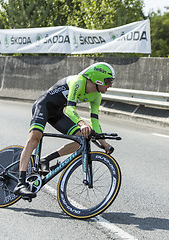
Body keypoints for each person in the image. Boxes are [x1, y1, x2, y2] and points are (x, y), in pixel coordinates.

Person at [13, 62, 115, 197]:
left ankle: (46, 159)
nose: (110, 85)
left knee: (81, 140)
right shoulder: (78, 81)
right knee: (34, 138)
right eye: (108, 81)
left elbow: (95, 121)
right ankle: (20, 183)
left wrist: (104, 143)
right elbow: (70, 109)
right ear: (97, 79)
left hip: (57, 113)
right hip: (43, 106)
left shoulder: (96, 96)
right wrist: (82, 124)